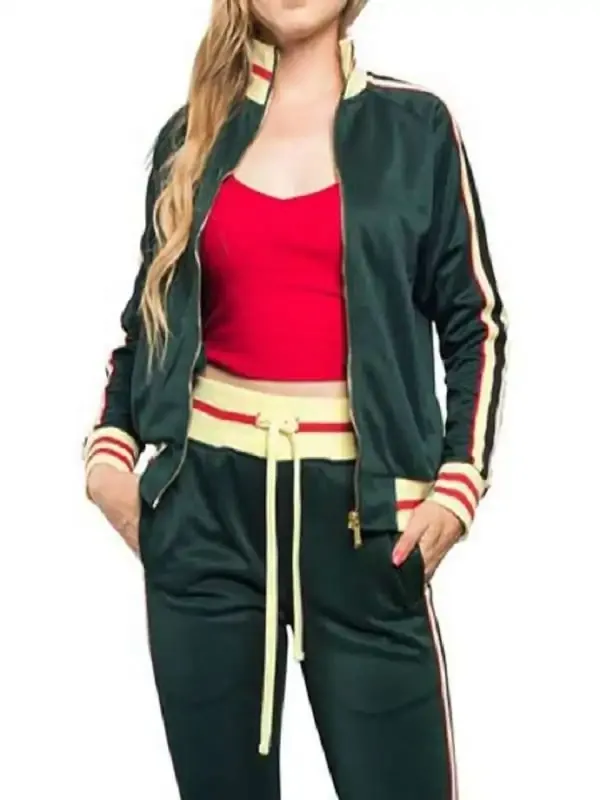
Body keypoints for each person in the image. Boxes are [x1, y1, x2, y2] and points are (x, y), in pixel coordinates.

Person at [82, 1, 508, 797]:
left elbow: (473, 323)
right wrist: (109, 454)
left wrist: (459, 484)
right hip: (205, 516)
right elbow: (148, 320)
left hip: (363, 523)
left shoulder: (417, 128)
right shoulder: (190, 135)